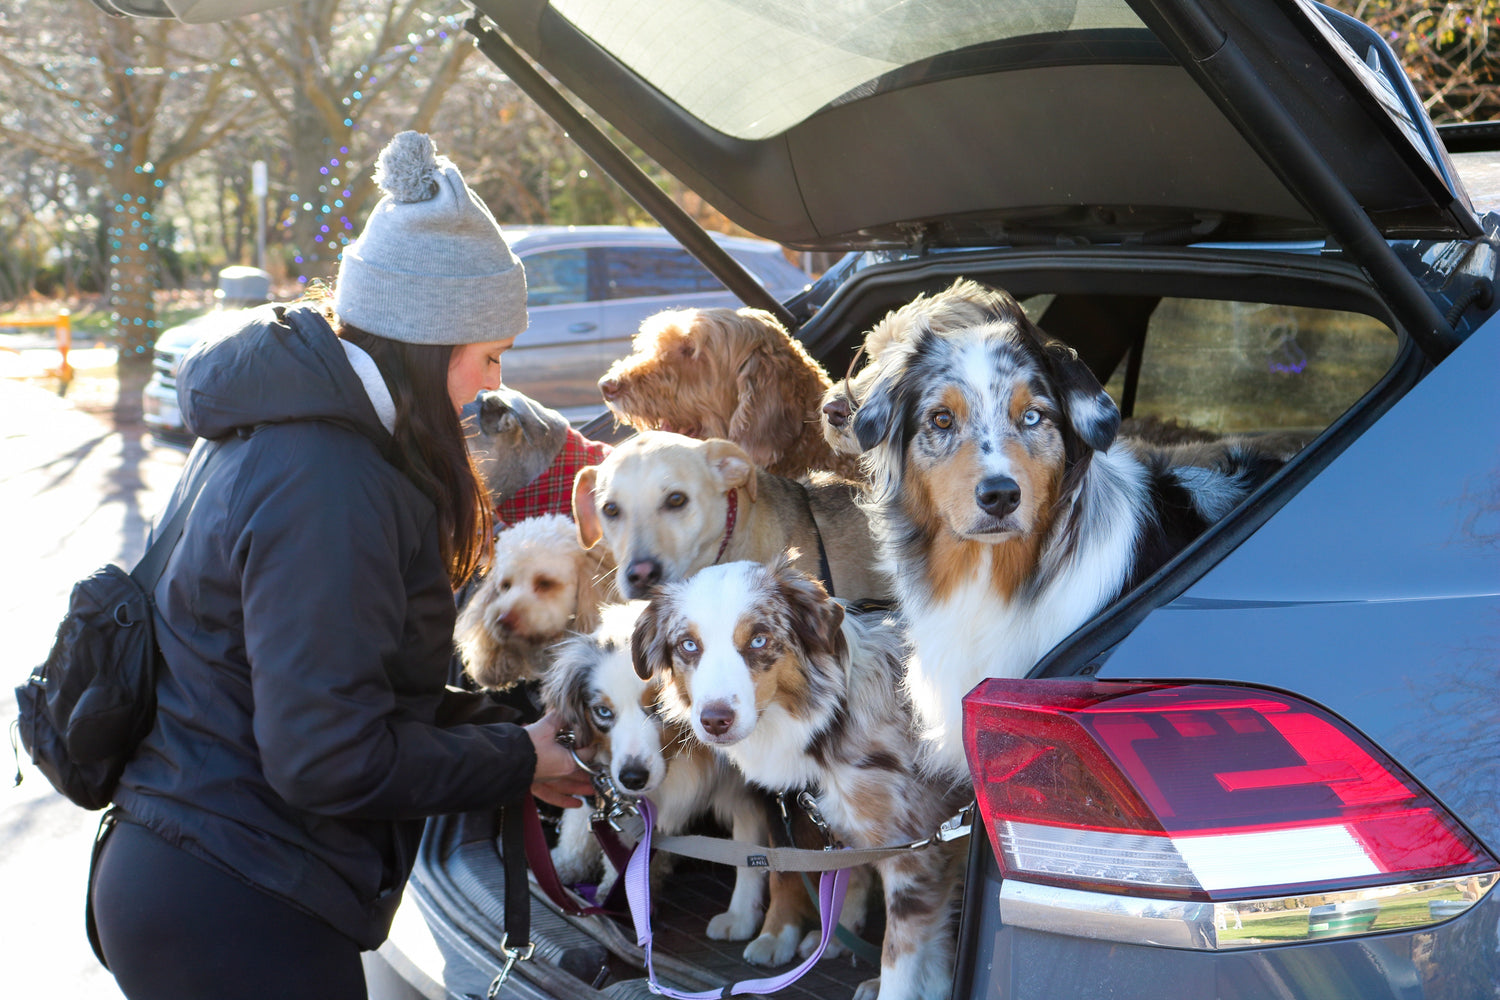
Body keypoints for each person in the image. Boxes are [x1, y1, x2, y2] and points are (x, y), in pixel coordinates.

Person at [89, 131, 595, 1000]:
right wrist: (516, 759)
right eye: (488, 356)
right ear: (430, 343)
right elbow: (326, 758)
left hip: (198, 868)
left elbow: (338, 684)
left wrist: (506, 728)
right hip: (236, 905)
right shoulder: (331, 482)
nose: (491, 386)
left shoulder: (291, 431)